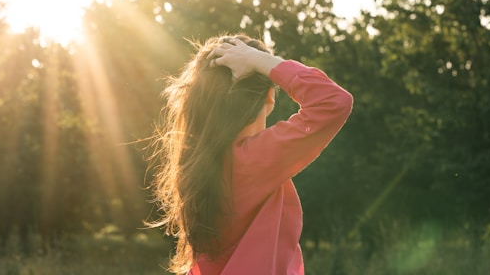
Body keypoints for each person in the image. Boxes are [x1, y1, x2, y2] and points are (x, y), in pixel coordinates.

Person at [148, 34, 353, 274]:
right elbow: (334, 101)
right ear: (269, 95)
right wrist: (262, 61)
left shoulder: (193, 162)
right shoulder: (253, 159)